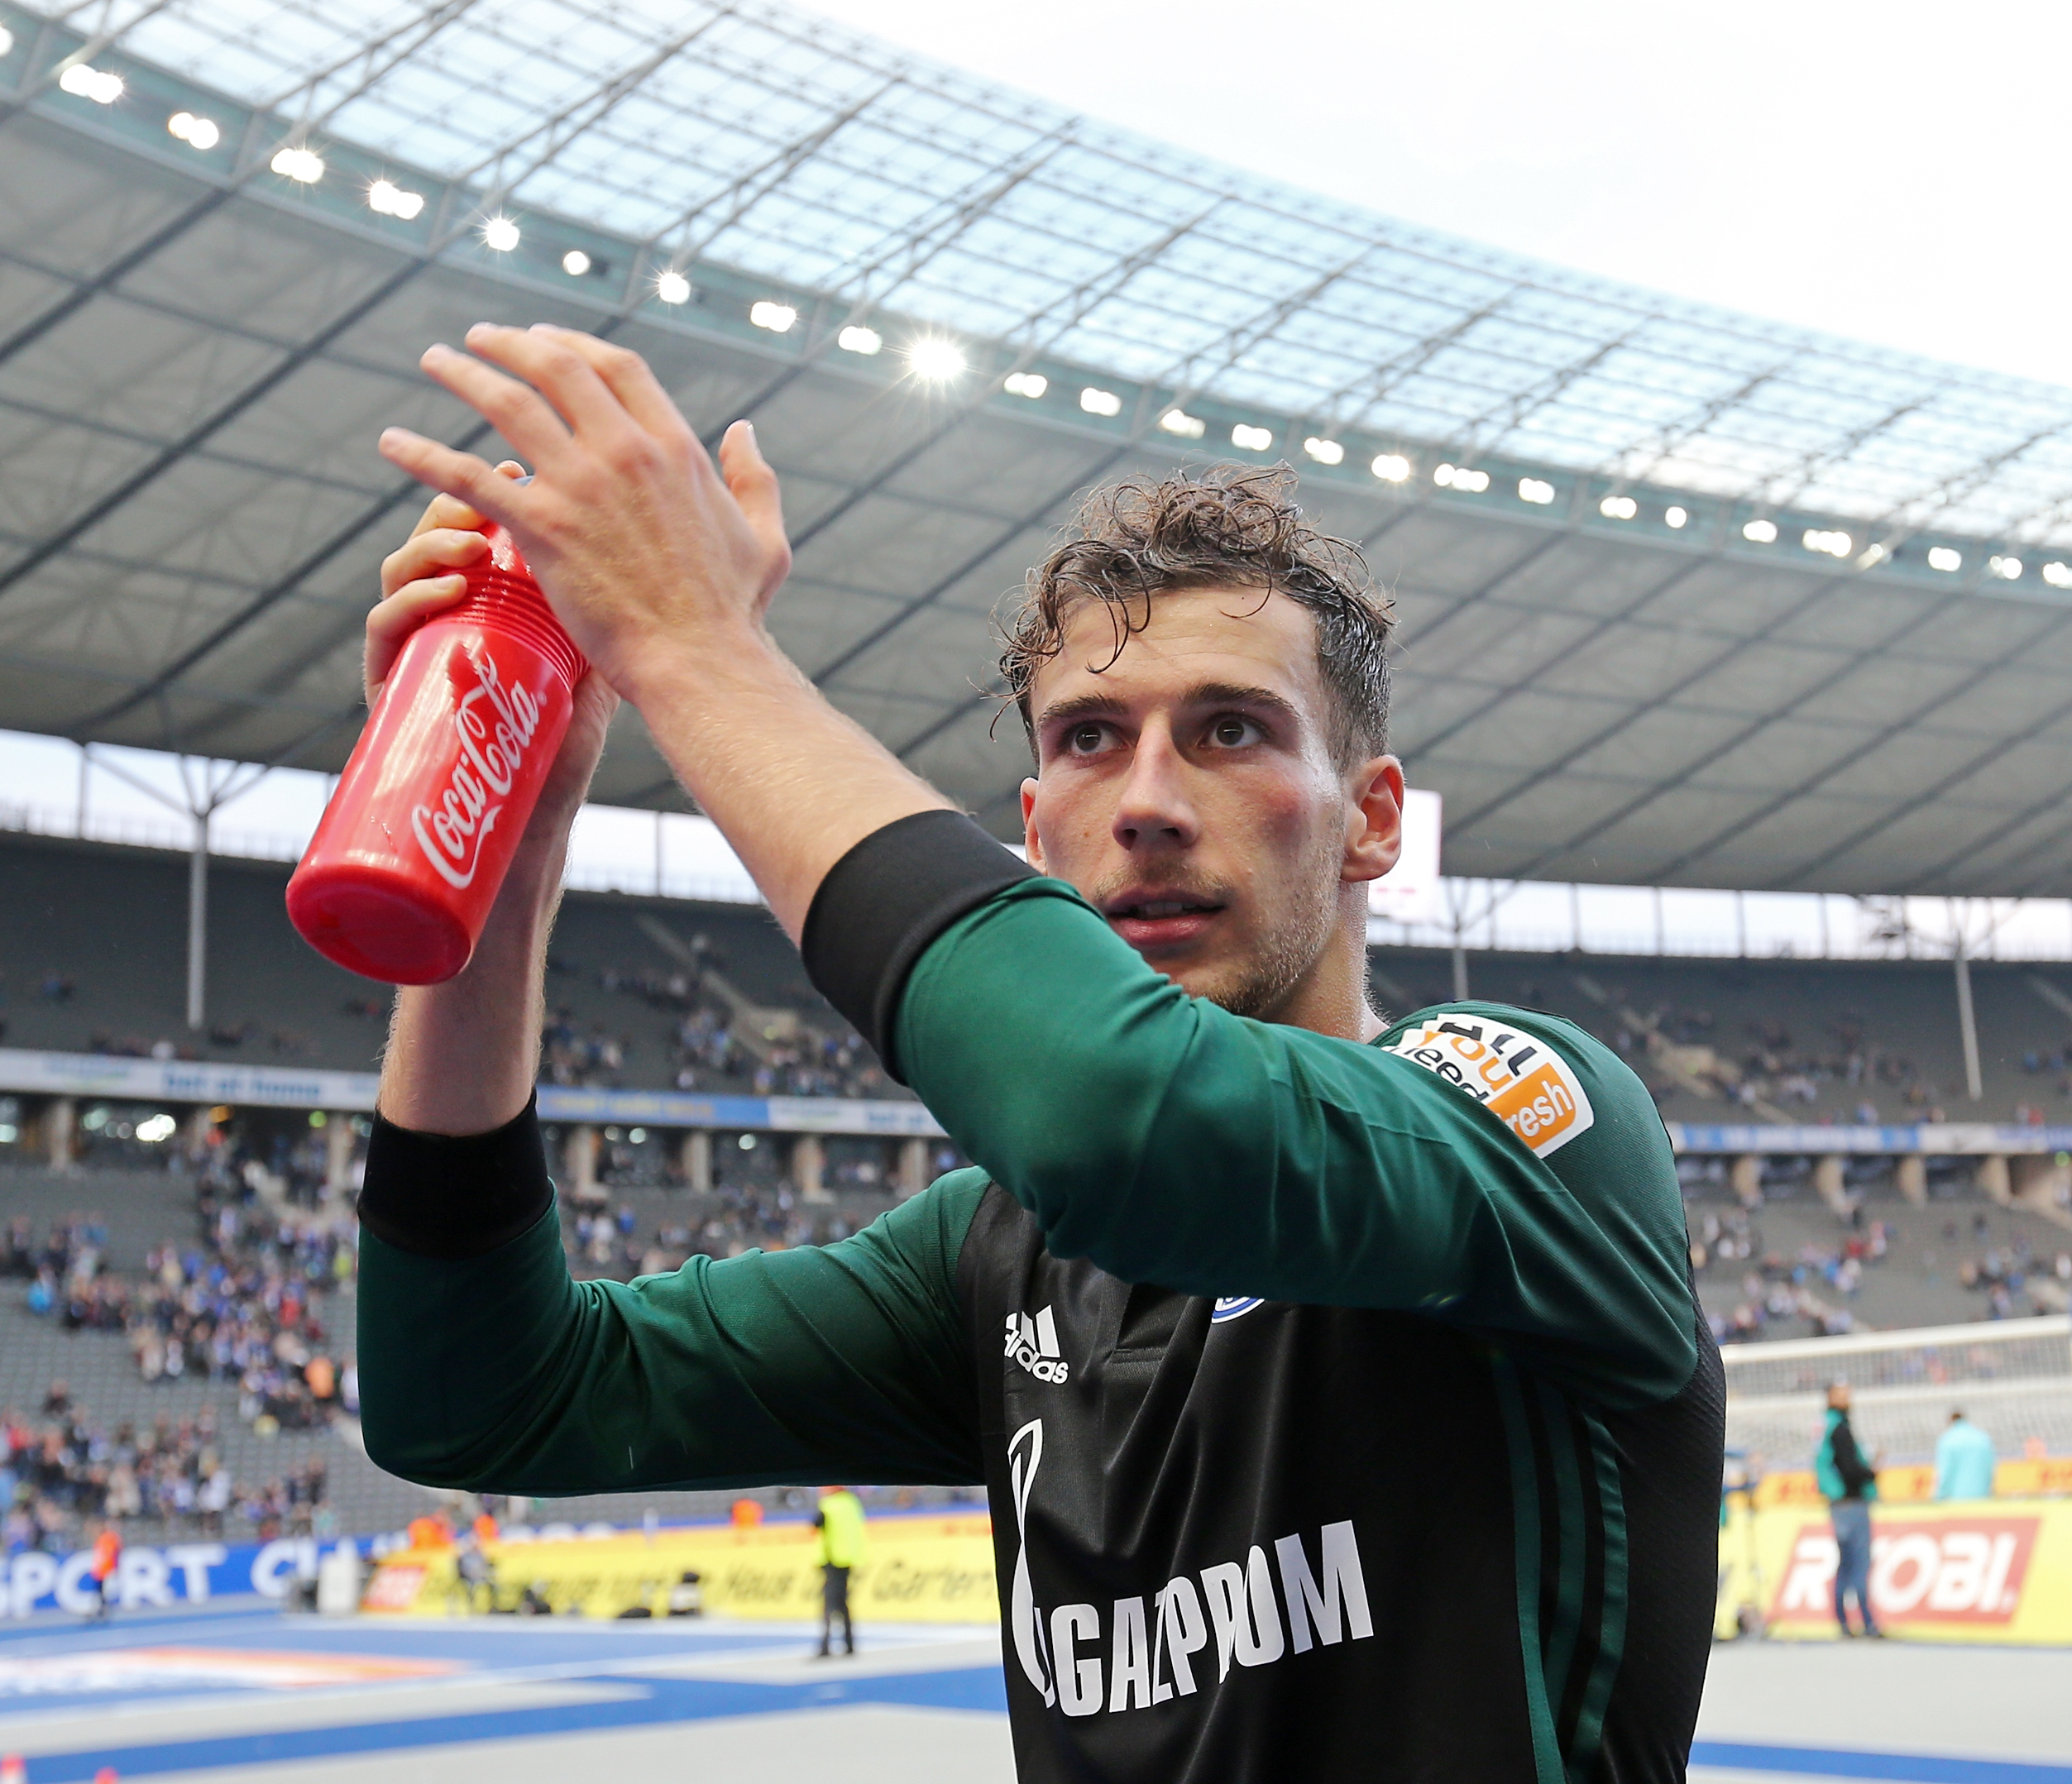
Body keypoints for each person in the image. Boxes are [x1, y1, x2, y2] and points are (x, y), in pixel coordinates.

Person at [352, 326, 1721, 1782]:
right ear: (1030, 822)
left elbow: (1119, 1111)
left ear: (1372, 816)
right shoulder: (994, 1258)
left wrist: (693, 649)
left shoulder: (1537, 1124)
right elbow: (485, 1397)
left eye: (1232, 730)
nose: (1147, 802)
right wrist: (500, 850)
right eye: (1087, 740)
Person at [1816, 1384, 1881, 1638]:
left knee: (1844, 1564)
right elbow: (1850, 1467)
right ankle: (1867, 1622)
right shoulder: (1840, 1429)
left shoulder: (1823, 1426)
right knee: (1860, 1564)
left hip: (1836, 1504)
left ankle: (1842, 1622)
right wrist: (1871, 1473)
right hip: (1851, 1503)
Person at [814, 1485, 864, 1657]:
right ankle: (849, 1644)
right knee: (843, 1604)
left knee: (830, 1605)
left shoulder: (829, 1505)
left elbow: (816, 1523)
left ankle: (825, 1646)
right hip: (847, 1559)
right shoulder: (852, 1503)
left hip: (833, 1559)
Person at [1933, 1408, 1996, 1501]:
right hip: (1982, 1496)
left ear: (1950, 1420)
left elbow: (1945, 1471)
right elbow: (1990, 1468)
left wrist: (1940, 1496)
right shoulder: (1982, 1437)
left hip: (1957, 1498)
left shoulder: (1948, 1440)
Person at [90, 1522, 123, 1621]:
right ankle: (101, 1610)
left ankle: (105, 1611)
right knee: (100, 1593)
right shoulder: (102, 1539)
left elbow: (115, 1553)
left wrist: (115, 1568)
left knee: (105, 1592)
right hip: (100, 1571)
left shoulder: (112, 1538)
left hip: (107, 1570)